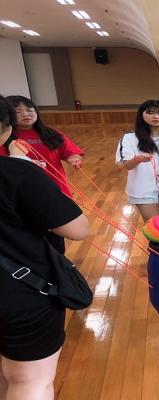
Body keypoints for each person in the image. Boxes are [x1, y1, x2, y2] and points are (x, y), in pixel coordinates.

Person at [0, 96, 90, 400]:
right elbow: (79, 229)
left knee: (8, 373)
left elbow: (69, 151)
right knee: (30, 380)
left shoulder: (48, 138)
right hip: (19, 292)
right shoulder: (16, 171)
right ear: (6, 127)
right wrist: (23, 166)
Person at [2, 95, 85, 254]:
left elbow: (69, 152)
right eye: (18, 111)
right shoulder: (6, 138)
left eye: (30, 110)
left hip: (55, 189)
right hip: (25, 195)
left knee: (57, 235)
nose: (26, 114)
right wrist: (26, 164)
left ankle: (58, 261)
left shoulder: (51, 133)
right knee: (32, 235)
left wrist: (73, 158)